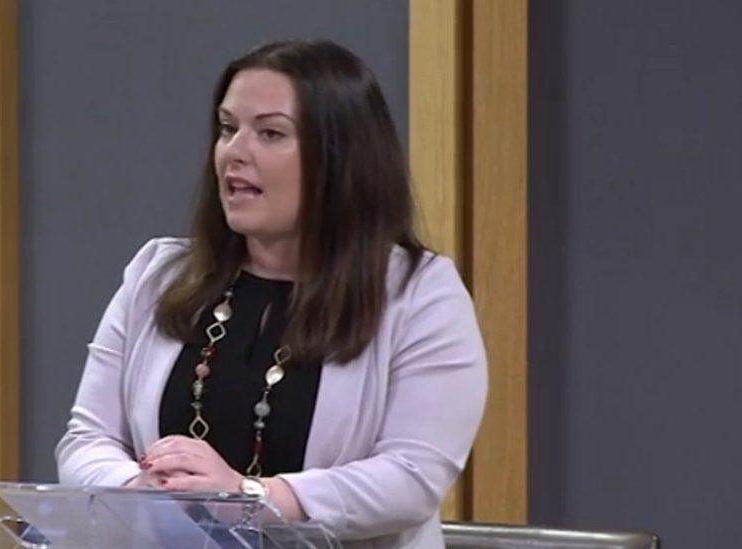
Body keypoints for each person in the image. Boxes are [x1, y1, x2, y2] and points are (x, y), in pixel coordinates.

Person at [56, 39, 487, 548]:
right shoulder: (159, 273)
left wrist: (247, 497)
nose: (235, 152)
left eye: (270, 133)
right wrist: (137, 492)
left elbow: (411, 478)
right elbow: (86, 440)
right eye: (227, 128)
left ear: (339, 158)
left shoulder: (419, 294)